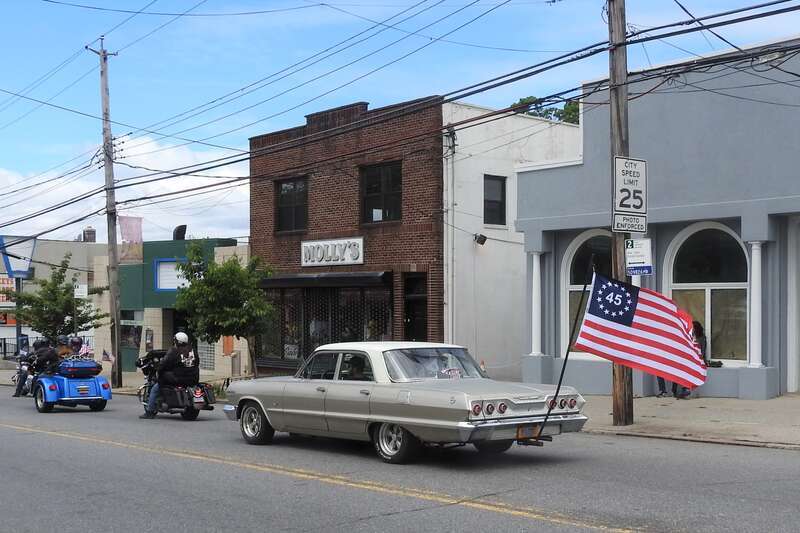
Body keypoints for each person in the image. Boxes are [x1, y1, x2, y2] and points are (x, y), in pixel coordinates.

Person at [140, 332, 199, 419]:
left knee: (155, 388)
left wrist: (158, 369)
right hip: (193, 378)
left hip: (178, 379)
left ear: (176, 341)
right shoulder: (192, 350)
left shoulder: (175, 351)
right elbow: (197, 363)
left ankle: (150, 412)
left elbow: (164, 363)